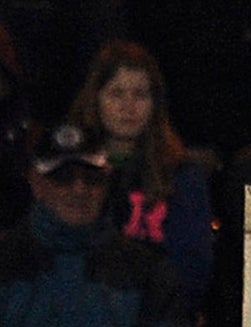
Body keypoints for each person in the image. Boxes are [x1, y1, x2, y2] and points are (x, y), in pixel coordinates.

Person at [0, 122, 185, 327]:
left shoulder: (147, 271)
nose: (79, 189)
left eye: (91, 178)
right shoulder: (7, 263)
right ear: (35, 182)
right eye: (62, 178)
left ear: (107, 180)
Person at [65, 39, 215, 309]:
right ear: (96, 98)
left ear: (154, 104)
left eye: (140, 95)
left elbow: (192, 269)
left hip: (155, 315)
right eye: (117, 93)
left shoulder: (182, 175)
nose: (128, 106)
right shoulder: (69, 169)